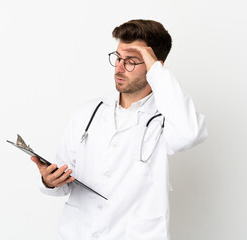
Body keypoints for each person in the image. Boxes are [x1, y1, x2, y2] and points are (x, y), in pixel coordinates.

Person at [31, 19, 207, 239]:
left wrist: (157, 72)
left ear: (155, 66)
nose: (119, 68)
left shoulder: (166, 119)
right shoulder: (87, 113)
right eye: (118, 58)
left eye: (132, 61)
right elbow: (64, 183)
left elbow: (190, 134)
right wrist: (49, 181)